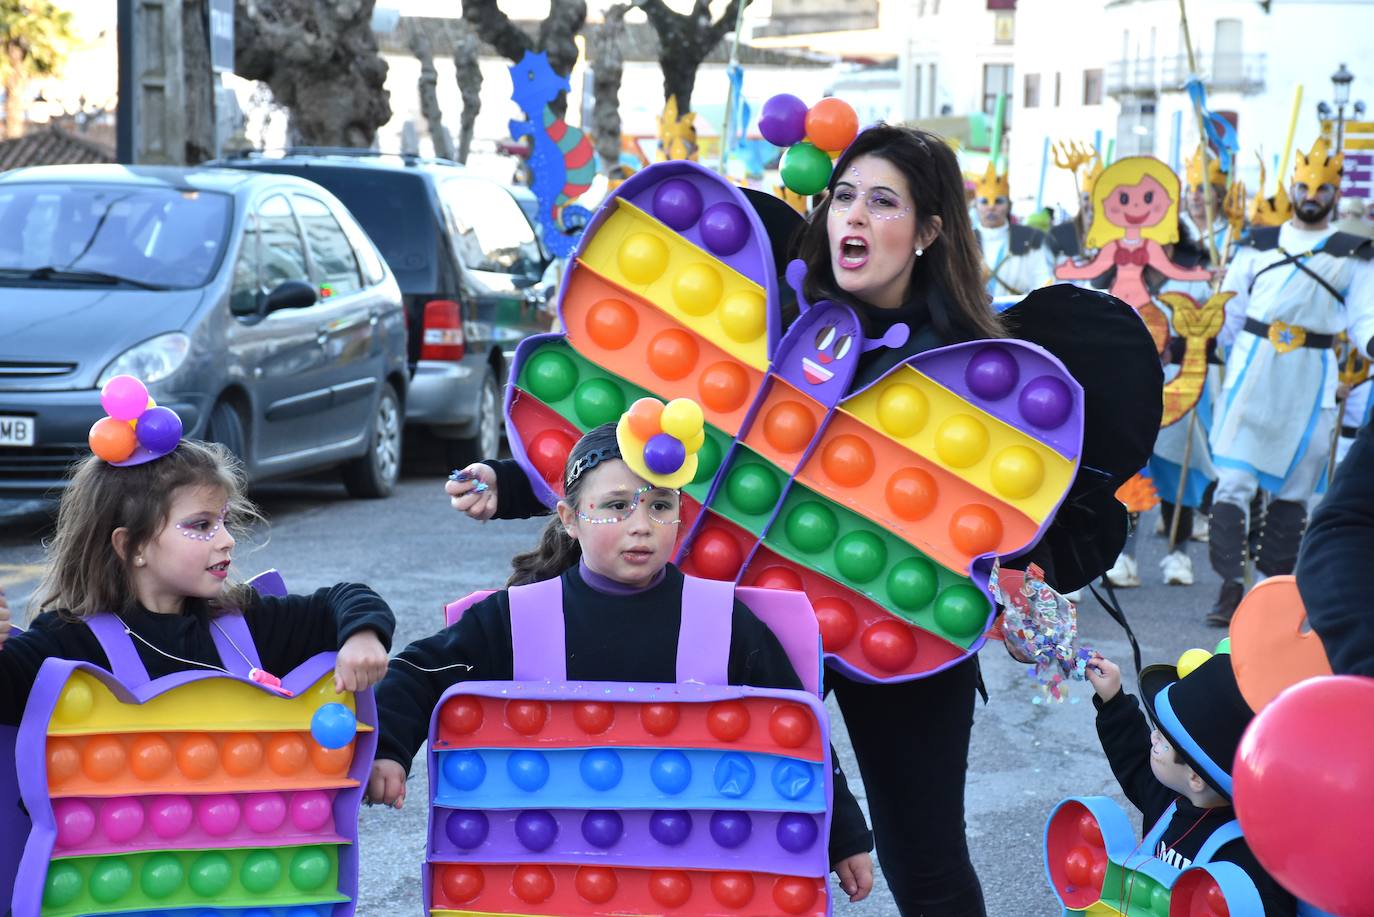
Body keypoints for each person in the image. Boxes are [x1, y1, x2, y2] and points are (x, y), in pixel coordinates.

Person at [451, 124, 1164, 916]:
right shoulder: (772, 305)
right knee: (713, 835)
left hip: (895, 626)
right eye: (845, 196)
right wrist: (515, 480)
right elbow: (653, 430)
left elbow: (1029, 513)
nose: (853, 218)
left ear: (930, 231)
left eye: (883, 202)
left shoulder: (978, 371)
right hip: (740, 611)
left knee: (921, 858)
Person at [371, 420, 876, 903]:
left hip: (695, 878)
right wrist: (388, 749)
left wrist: (842, 834)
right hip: (551, 876)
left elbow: (797, 728)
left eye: (660, 506)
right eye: (616, 506)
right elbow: (419, 672)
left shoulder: (724, 620)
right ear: (570, 520)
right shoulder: (518, 616)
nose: (641, 526)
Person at [0, 437, 395, 723]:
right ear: (130, 545)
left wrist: (363, 635)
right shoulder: (66, 642)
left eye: (223, 521)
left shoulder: (242, 623)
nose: (226, 540)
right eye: (201, 525)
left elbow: (347, 598)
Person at [1205, 136, 1374, 625]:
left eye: (1322, 188)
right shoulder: (1257, 243)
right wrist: (1204, 346)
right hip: (1253, 373)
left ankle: (1265, 593)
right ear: (1292, 186)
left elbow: (1364, 319)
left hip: (1311, 379)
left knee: (1295, 493)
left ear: (1335, 193)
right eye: (1304, 185)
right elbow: (1231, 311)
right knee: (1233, 482)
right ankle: (1229, 586)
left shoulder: (1354, 253)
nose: (1312, 194)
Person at [1084, 651, 1296, 914]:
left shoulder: (1247, 859)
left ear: (1195, 778)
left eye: (1162, 740)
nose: (1152, 738)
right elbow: (1134, 758)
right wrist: (1112, 698)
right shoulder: (1168, 800)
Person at [970, 162, 1055, 304]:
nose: (991, 207)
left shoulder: (1029, 239)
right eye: (984, 202)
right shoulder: (964, 240)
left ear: (1008, 204)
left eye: (998, 201)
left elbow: (1042, 281)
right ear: (976, 205)